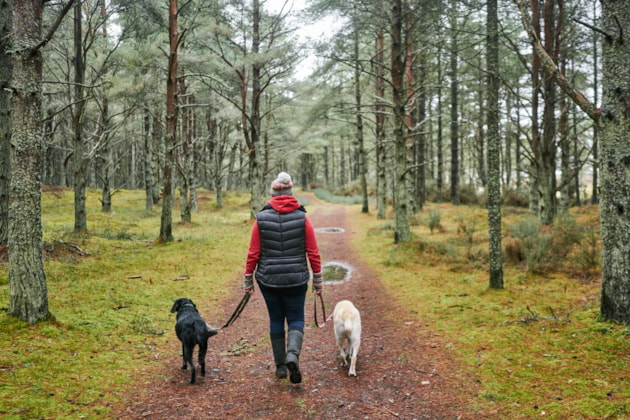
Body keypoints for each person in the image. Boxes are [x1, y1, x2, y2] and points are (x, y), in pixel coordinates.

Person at [242, 172, 323, 384]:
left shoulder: (261, 218)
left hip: (268, 280)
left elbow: (253, 253)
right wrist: (318, 280)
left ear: (273, 194)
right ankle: (292, 356)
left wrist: (248, 279)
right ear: (290, 192)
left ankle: (280, 367)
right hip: (296, 279)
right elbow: (313, 251)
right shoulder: (302, 217)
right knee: (296, 319)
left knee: (276, 319)